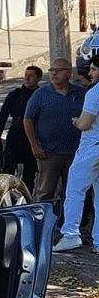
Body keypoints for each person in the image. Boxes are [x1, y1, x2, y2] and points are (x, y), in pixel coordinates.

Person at [24, 58, 86, 208]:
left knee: (73, 192)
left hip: (75, 153)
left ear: (69, 72)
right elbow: (28, 120)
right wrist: (34, 145)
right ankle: (42, 226)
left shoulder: (81, 93)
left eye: (58, 70)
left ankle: (69, 225)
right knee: (45, 192)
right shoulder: (41, 94)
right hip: (49, 153)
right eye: (51, 70)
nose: (54, 74)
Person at [54, 56, 99, 253]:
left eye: (94, 70)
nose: (90, 74)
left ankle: (70, 234)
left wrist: (76, 123)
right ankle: (98, 241)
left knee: (74, 190)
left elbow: (84, 123)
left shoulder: (94, 93)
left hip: (92, 146)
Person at [0, 65, 43, 190]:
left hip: (32, 139)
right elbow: (2, 118)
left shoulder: (41, 95)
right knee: (8, 174)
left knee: (29, 177)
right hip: (15, 138)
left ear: (38, 78)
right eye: (26, 75)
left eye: (31, 76)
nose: (27, 78)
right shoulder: (14, 95)